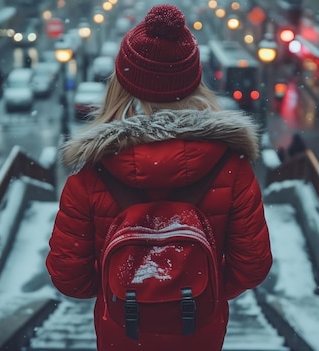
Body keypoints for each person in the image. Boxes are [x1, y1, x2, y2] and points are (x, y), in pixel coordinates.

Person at [46, 5, 272, 350]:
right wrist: (198, 290)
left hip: (123, 332)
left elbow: (69, 278)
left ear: (120, 84)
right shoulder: (232, 166)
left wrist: (127, 293)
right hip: (198, 330)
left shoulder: (91, 173)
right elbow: (252, 267)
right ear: (195, 81)